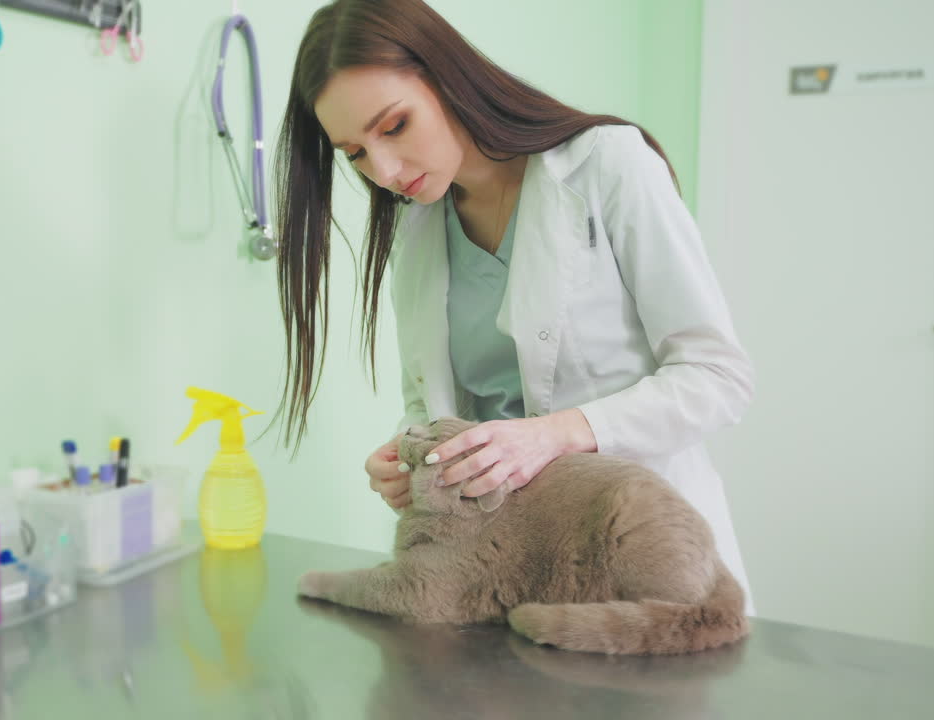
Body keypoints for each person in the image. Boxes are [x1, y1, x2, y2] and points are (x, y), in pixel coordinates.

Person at [272, 0, 756, 613]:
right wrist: (409, 456)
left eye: (394, 126)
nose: (384, 170)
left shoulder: (607, 164)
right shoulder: (418, 228)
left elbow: (718, 376)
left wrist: (555, 435)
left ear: (448, 79)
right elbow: (433, 402)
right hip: (502, 575)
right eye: (356, 154)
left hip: (637, 556)